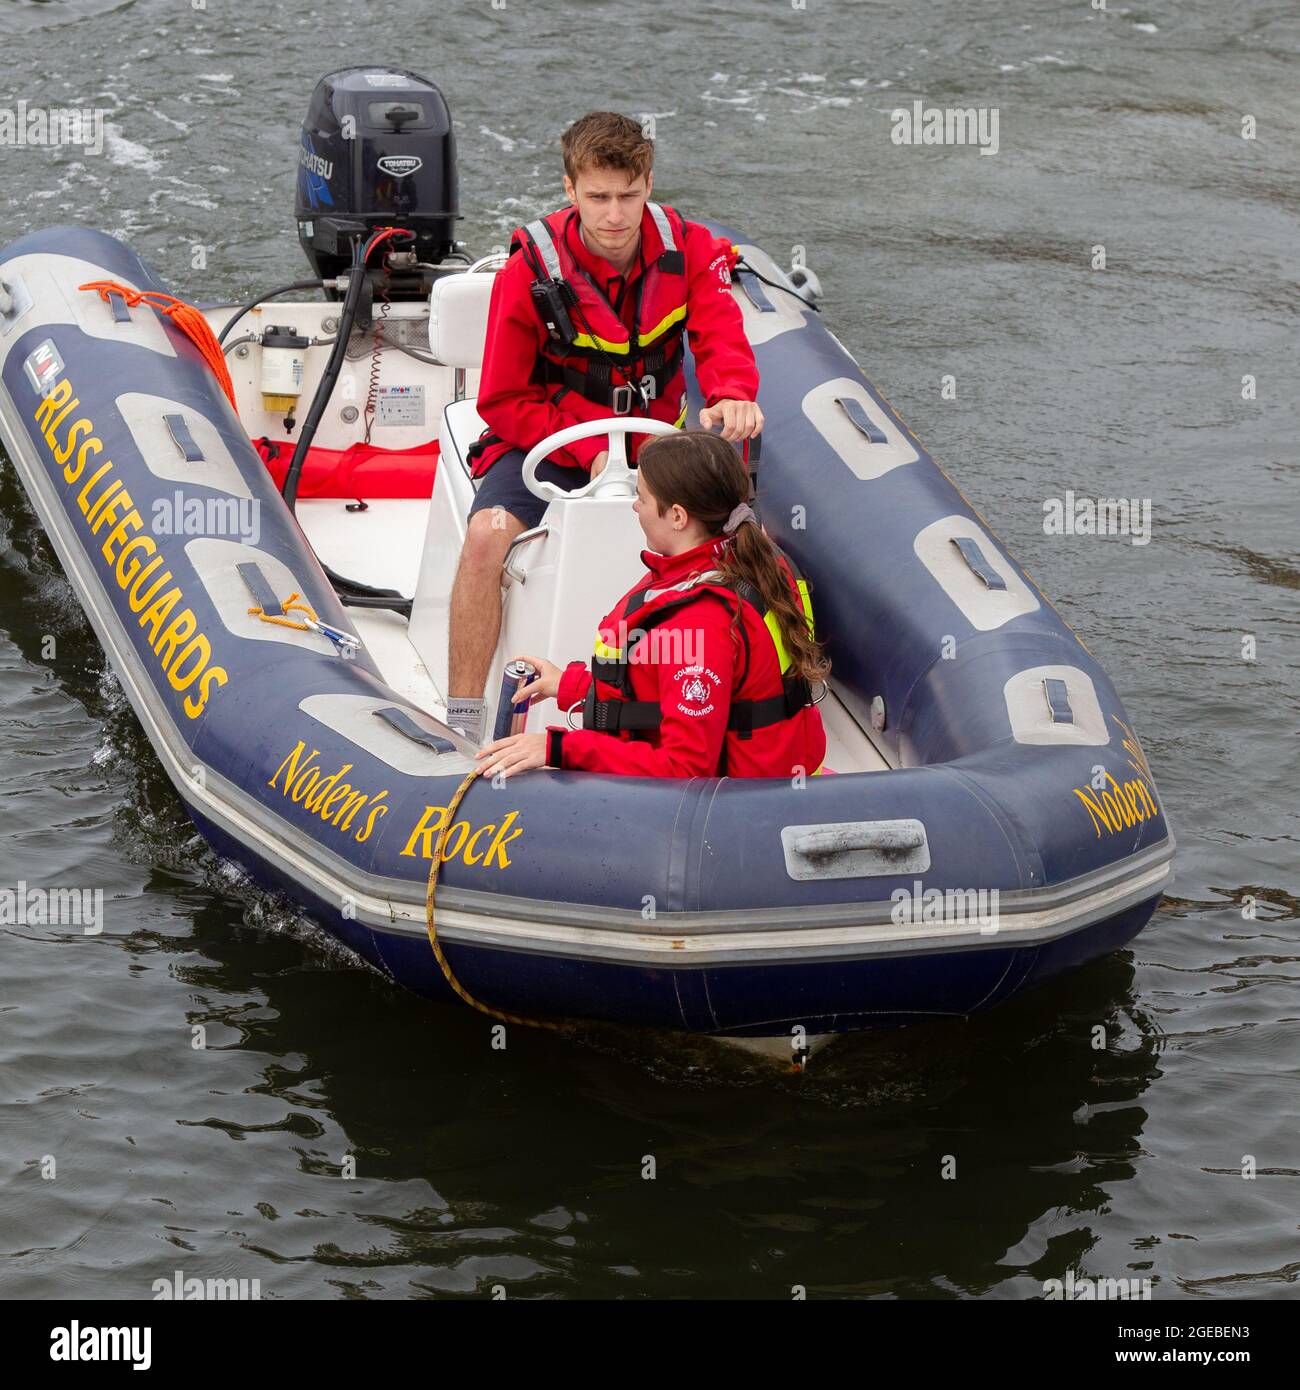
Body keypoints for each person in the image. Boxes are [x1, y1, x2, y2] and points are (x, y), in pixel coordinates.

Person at [446, 110, 764, 743]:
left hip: (657, 440)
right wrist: (593, 448)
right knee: (487, 536)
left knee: (741, 547)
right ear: (570, 190)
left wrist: (733, 394)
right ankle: (463, 721)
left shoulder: (691, 252)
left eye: (629, 195)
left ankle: (728, 705)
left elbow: (722, 338)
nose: (615, 216)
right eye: (598, 198)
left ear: (649, 183)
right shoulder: (529, 272)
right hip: (548, 438)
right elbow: (503, 399)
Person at [477, 431, 828, 780]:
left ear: (677, 516)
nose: (635, 505)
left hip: (731, 807)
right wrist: (572, 686)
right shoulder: (749, 559)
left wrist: (556, 748)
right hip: (773, 772)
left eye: (641, 497)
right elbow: (667, 695)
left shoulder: (699, 625)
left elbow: (685, 768)